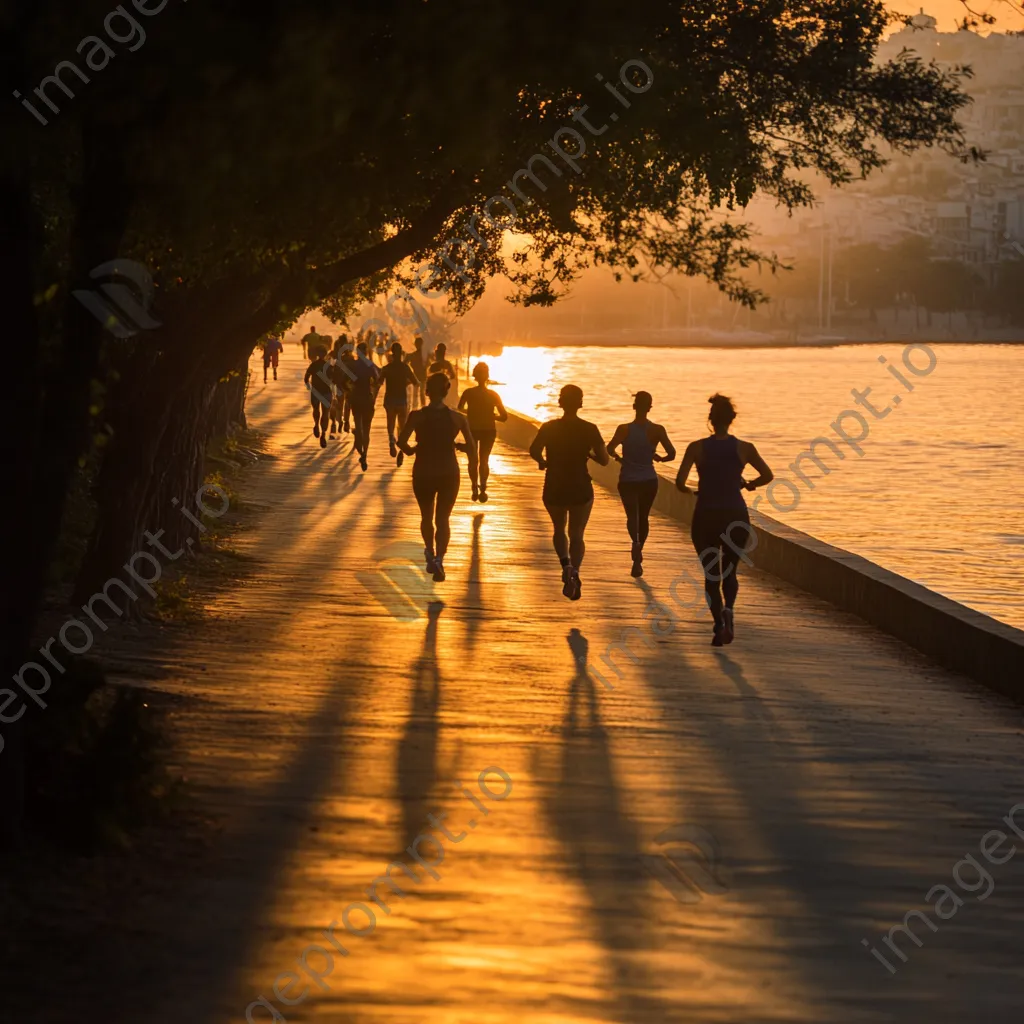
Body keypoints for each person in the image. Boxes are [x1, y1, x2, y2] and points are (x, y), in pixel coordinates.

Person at [676, 393, 773, 646]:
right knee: (730, 571)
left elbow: (679, 482)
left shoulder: (696, 447)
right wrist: (748, 485)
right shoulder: (745, 448)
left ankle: (718, 624)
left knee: (711, 576)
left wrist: (691, 491)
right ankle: (729, 608)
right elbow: (767, 475)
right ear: (732, 419)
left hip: (706, 515)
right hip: (735, 515)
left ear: (710, 418)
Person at [529, 385, 608, 601]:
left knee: (558, 528)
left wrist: (543, 462)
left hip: (554, 484)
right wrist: (589, 454)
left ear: (560, 402)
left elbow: (534, 450)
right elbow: (604, 459)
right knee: (577, 533)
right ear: (580, 403)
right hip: (580, 485)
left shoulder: (549, 427)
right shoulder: (590, 429)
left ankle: (564, 563)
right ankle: (574, 571)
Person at [398, 373, 477, 582]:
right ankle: (440, 559)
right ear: (446, 391)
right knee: (443, 519)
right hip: (449, 472)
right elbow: (471, 448)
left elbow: (402, 442)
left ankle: (429, 551)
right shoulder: (458, 418)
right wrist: (458, 448)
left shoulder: (417, 416)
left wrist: (412, 450)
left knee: (426, 516)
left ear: (427, 390)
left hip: (423, 471)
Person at [607, 391, 676, 577]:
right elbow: (672, 453)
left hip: (627, 479)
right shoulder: (657, 430)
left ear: (634, 406)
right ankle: (638, 555)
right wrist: (659, 458)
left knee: (632, 516)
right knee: (644, 517)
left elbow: (609, 448)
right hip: (648, 479)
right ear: (650, 407)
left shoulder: (623, 429)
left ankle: (635, 543)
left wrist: (619, 459)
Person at [457, 361, 508, 502]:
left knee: (473, 459)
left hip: (472, 429)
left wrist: (472, 412)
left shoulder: (468, 393)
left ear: (474, 376)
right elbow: (504, 417)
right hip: (488, 430)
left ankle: (474, 485)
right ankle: (483, 486)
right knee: (484, 459)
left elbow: (460, 408)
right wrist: (492, 415)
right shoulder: (493, 395)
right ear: (487, 376)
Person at [379, 341, 421, 465]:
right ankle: (401, 451)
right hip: (402, 400)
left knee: (390, 422)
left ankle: (391, 440)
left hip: (389, 400)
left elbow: (379, 382)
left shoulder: (387, 368)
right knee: (402, 427)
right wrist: (405, 383)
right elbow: (416, 382)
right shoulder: (405, 368)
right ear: (401, 353)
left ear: (392, 353)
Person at [348, 341, 381, 471]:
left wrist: (349, 390)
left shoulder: (353, 365)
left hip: (356, 398)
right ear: (366, 352)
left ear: (358, 352)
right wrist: (374, 394)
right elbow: (378, 380)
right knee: (367, 429)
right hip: (367, 399)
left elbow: (344, 381)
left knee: (358, 425)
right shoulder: (371, 365)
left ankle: (361, 451)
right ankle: (365, 454)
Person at [303, 345, 333, 448]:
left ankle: (316, 424)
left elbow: (306, 377)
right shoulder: (329, 366)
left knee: (316, 410)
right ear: (325, 354)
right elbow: (334, 380)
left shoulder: (313, 365)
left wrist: (308, 386)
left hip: (315, 392)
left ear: (317, 354)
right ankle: (323, 434)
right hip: (326, 392)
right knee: (325, 413)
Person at [405, 336, 428, 409]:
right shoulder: (424, 355)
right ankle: (421, 408)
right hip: (420, 376)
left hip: (418, 376)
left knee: (417, 394)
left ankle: (416, 409)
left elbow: (405, 363)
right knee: (421, 394)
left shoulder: (414, 355)